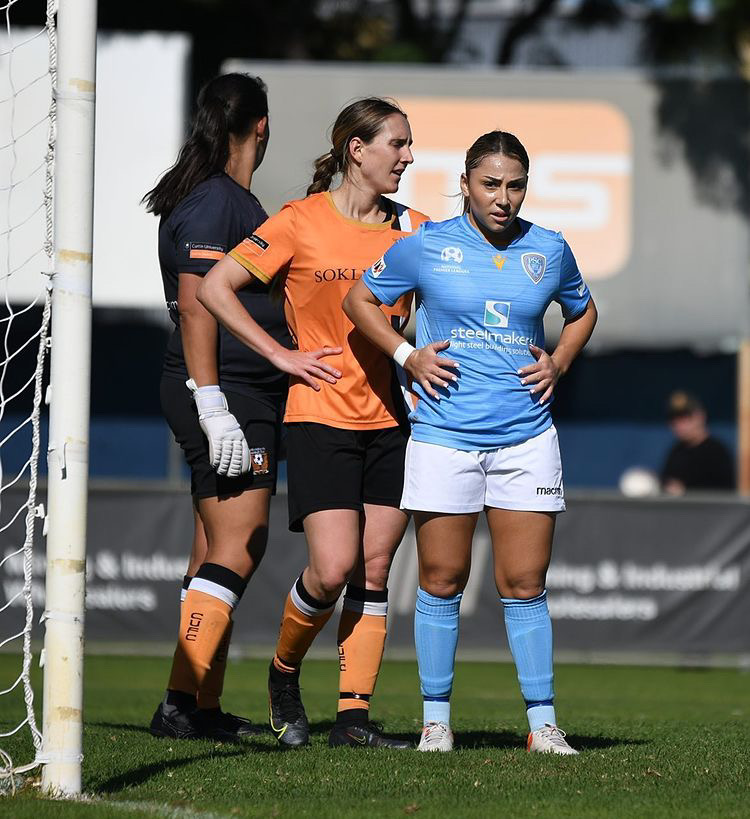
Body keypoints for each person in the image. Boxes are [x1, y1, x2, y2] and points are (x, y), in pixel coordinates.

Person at [343, 130, 598, 754]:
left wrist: (560, 362)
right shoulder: (426, 245)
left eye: (515, 186)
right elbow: (359, 300)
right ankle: (436, 723)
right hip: (443, 437)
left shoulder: (549, 247)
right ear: (464, 185)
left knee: (525, 582)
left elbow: (584, 311)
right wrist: (407, 354)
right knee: (441, 577)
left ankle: (543, 727)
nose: (503, 198)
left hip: (526, 438)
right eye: (490, 184)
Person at [197, 98, 429, 749]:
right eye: (398, 144)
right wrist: (280, 354)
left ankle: (353, 719)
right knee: (331, 569)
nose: (408, 157)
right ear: (357, 148)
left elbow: (437, 307)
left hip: (394, 419)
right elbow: (214, 288)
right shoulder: (300, 220)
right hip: (319, 415)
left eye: (409, 145)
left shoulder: (417, 228)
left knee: (374, 569)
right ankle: (283, 672)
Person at [143, 73, 311, 741]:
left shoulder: (230, 198)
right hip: (226, 392)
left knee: (213, 548)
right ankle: (179, 702)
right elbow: (196, 306)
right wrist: (213, 405)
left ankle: (198, 706)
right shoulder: (216, 201)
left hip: (236, 390)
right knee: (242, 543)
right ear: (261, 126)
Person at [661, 391, 734, 494]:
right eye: (674, 419)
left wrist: (686, 491)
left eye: (685, 417)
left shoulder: (717, 452)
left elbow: (725, 493)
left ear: (700, 416)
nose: (679, 424)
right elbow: (666, 482)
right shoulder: (676, 451)